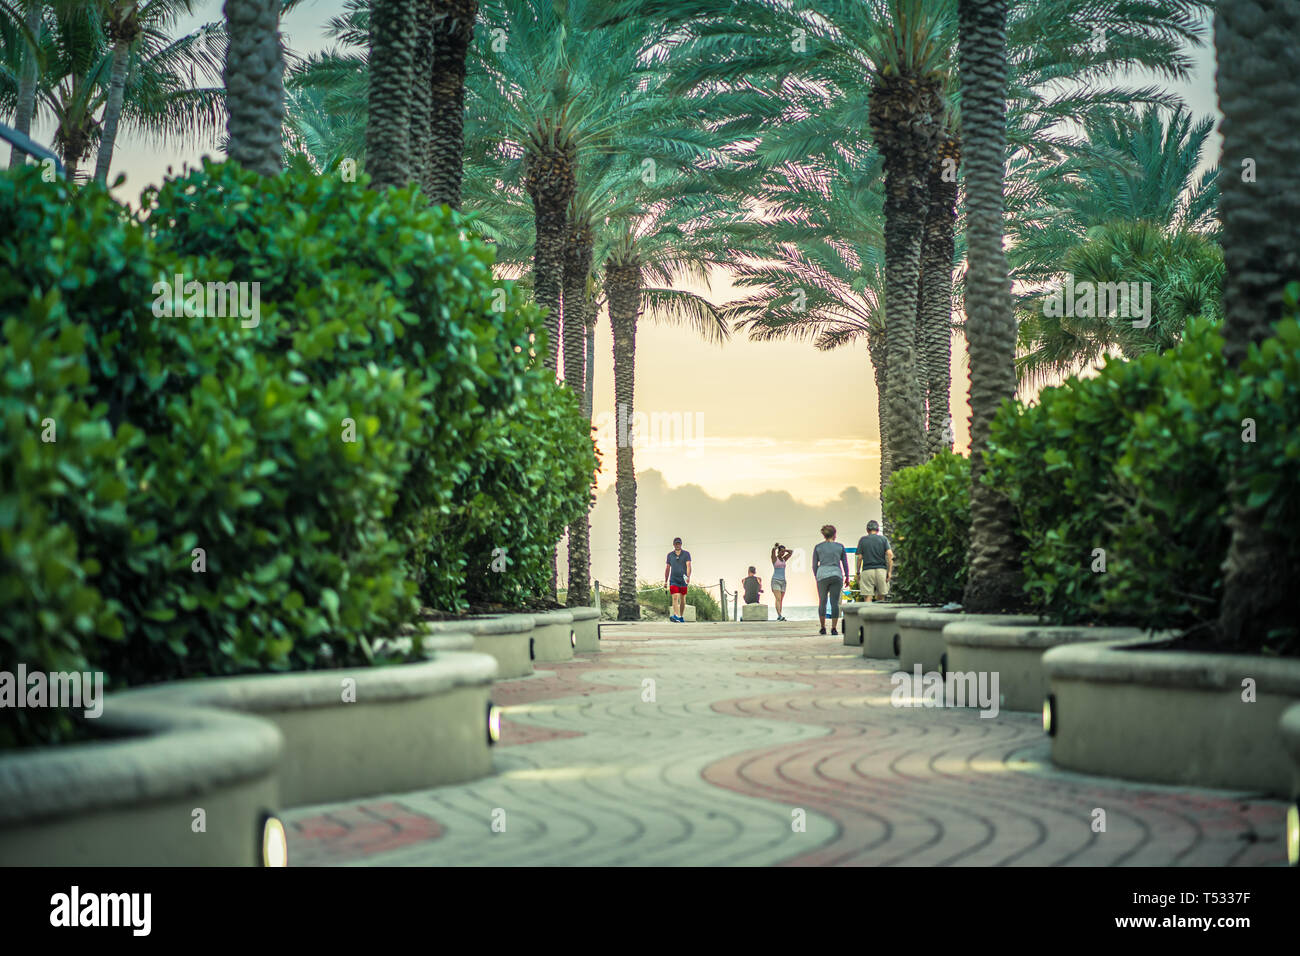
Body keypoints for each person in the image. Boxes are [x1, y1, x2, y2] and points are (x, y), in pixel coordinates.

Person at [812, 524, 850, 636]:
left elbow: (814, 565)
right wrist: (847, 576)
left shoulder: (818, 547)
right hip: (836, 575)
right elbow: (845, 563)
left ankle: (823, 627)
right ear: (834, 534)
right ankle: (834, 628)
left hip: (822, 575)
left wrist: (817, 576)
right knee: (834, 602)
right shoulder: (840, 546)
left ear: (824, 535)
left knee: (822, 601)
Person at [855, 520, 893, 602]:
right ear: (878, 530)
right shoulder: (883, 539)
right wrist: (889, 572)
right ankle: (879, 614)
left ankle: (868, 614)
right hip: (881, 571)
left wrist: (858, 572)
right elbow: (890, 554)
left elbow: (860, 558)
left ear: (867, 530)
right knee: (881, 596)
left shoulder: (863, 540)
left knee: (868, 597)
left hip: (867, 571)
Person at [664, 537, 692, 623]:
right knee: (675, 597)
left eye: (679, 543)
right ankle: (676, 615)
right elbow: (667, 568)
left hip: (683, 580)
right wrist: (665, 581)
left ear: (681, 544)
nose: (677, 545)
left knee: (683, 599)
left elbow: (688, 566)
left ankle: (681, 616)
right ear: (673, 544)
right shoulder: (670, 555)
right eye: (676, 543)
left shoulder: (686, 554)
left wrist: (688, 577)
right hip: (673, 580)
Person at [770, 542, 792, 621]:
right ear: (778, 551)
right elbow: (772, 552)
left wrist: (784, 550)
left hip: (783, 581)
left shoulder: (784, 559)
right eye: (781, 551)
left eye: (783, 552)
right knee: (778, 599)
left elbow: (791, 552)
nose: (782, 553)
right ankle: (779, 615)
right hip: (775, 580)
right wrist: (775, 547)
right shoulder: (774, 559)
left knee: (781, 600)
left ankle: (780, 616)